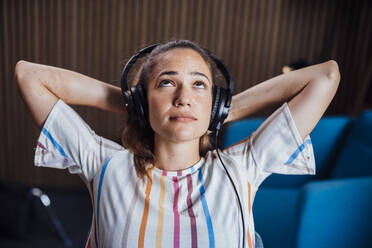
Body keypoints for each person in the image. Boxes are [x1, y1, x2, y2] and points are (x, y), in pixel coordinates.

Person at [15, 39, 340, 248]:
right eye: (166, 82)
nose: (184, 98)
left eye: (199, 85)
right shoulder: (105, 165)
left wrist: (222, 110)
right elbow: (29, 75)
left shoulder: (243, 166)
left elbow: (324, 77)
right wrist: (134, 106)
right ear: (144, 100)